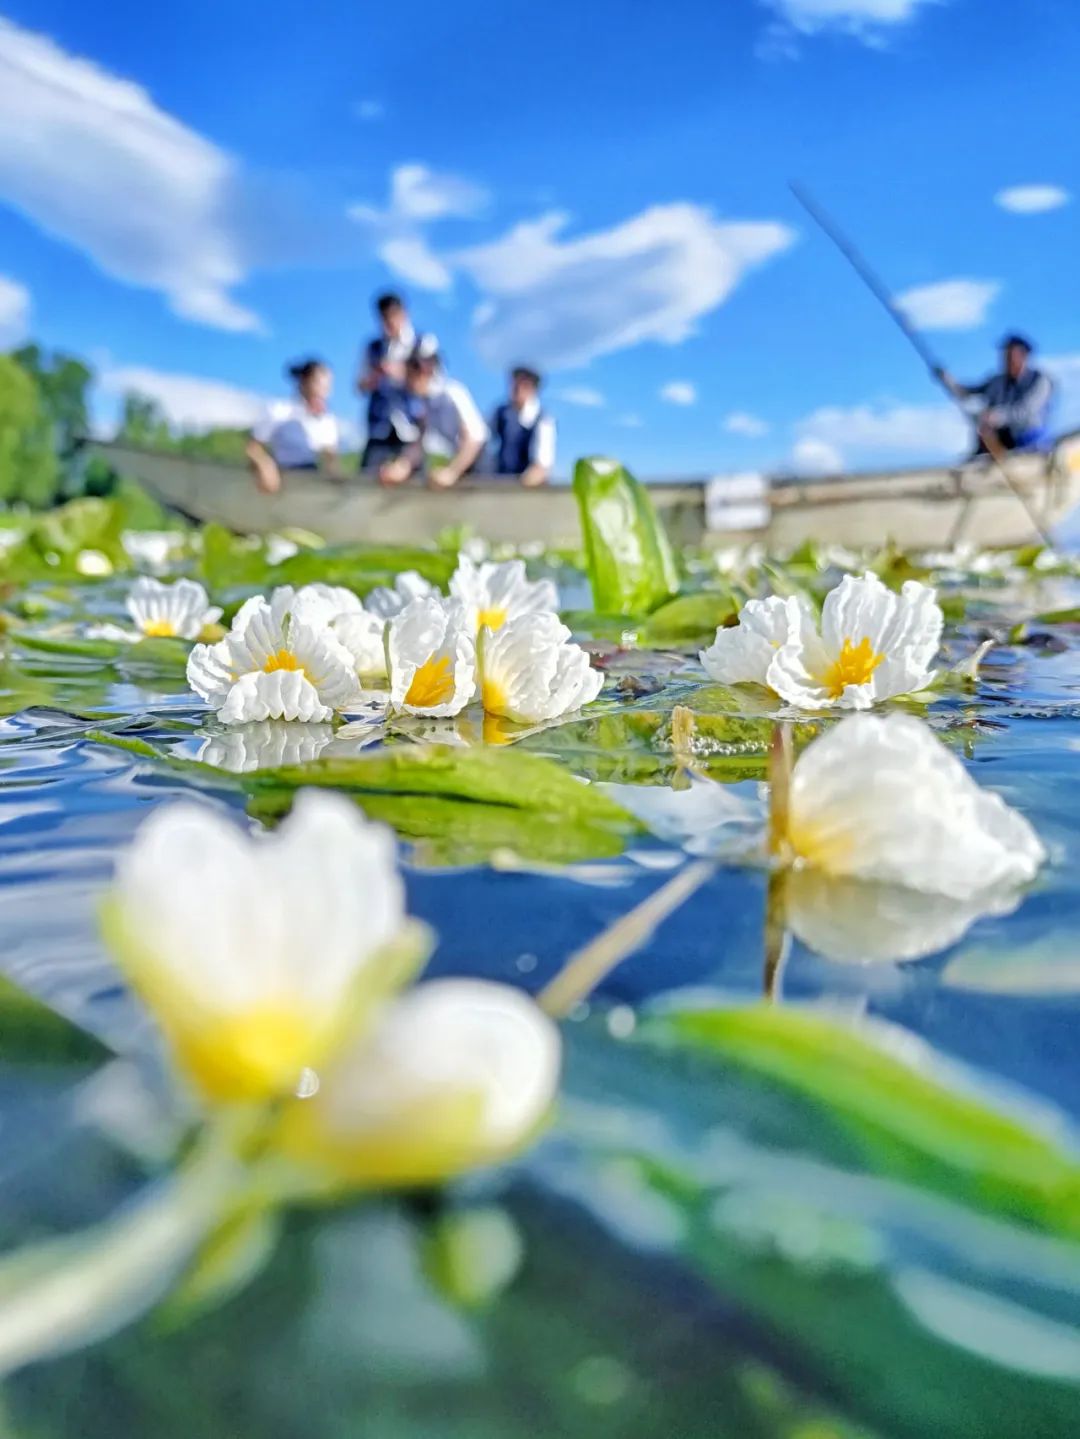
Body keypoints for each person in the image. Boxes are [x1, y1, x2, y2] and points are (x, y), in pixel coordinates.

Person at [378, 347, 488, 489]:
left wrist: (452, 472)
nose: (407, 381)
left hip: (479, 471)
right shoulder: (425, 404)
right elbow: (420, 443)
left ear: (423, 371)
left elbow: (475, 440)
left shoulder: (454, 393)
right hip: (457, 472)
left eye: (410, 373)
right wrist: (401, 467)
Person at [937, 335, 1055, 456]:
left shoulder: (1040, 380)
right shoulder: (996, 381)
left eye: (1011, 355)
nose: (1006, 359)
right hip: (1000, 443)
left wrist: (997, 416)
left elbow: (1026, 411)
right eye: (1005, 355)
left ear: (1023, 356)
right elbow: (964, 393)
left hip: (1031, 442)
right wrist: (946, 379)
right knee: (984, 434)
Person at [357, 292, 435, 469]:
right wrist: (376, 376)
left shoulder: (424, 343)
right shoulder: (372, 348)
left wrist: (402, 373)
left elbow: (434, 384)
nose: (390, 322)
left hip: (413, 428)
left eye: (393, 315)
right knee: (366, 482)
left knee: (417, 488)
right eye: (385, 317)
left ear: (404, 314)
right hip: (379, 428)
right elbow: (359, 387)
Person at [246, 359, 339, 495]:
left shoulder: (327, 421)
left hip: (309, 480)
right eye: (319, 384)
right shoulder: (279, 411)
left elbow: (331, 462)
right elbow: (252, 448)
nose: (324, 392)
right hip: (281, 476)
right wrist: (265, 465)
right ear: (304, 382)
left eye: (328, 387)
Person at [490, 366, 556, 485]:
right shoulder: (501, 413)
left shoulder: (544, 420)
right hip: (500, 481)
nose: (517, 389)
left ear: (533, 389)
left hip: (525, 488)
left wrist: (524, 483)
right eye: (515, 384)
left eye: (523, 385)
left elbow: (541, 466)